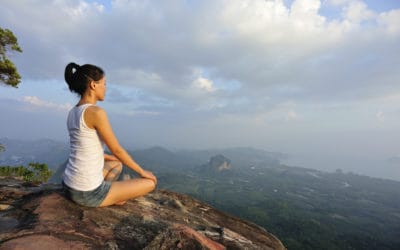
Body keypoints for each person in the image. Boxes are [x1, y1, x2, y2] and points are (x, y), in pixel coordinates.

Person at [62, 62, 157, 207]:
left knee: (116, 163)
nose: (105, 88)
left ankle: (111, 194)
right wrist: (142, 171)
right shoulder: (96, 113)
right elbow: (117, 149)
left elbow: (82, 148)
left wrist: (108, 157)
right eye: (104, 84)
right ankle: (110, 197)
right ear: (93, 85)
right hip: (87, 193)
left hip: (68, 185)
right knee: (149, 183)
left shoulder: (73, 112)